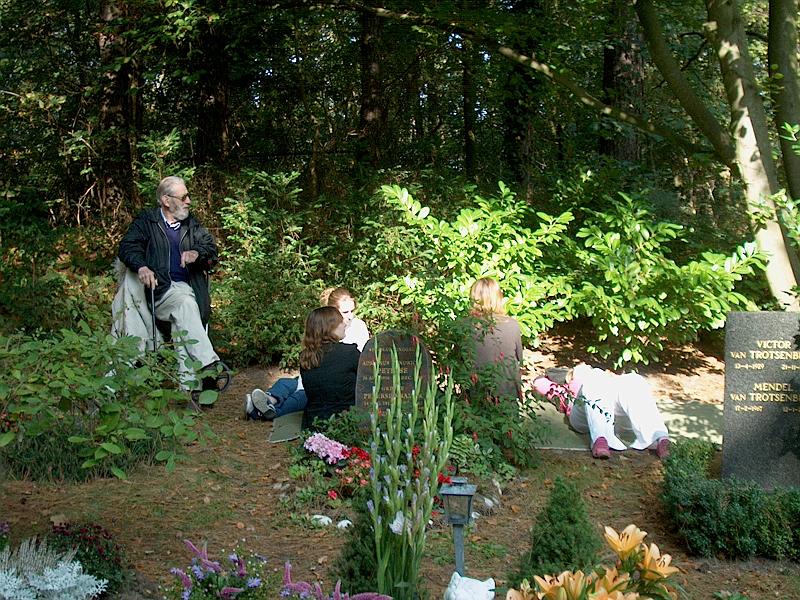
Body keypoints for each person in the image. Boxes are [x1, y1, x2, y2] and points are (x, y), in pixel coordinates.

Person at [118, 175, 229, 399]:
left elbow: (210, 249)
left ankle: (190, 390)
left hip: (189, 290)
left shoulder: (191, 224)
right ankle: (209, 364)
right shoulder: (147, 221)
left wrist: (197, 253)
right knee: (185, 303)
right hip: (158, 291)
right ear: (166, 200)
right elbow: (128, 247)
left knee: (185, 312)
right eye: (184, 197)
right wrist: (141, 266)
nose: (189, 201)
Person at [245, 287, 369, 420]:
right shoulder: (343, 347)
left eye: (352, 311)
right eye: (345, 312)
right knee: (286, 383)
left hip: (333, 385)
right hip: (331, 390)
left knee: (302, 394)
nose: (350, 316)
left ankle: (265, 408)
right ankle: (269, 401)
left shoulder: (356, 328)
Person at [534, 363, 671, 460]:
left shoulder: (604, 381)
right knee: (594, 379)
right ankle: (600, 440)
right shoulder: (565, 389)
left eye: (587, 367)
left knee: (634, 380)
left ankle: (659, 438)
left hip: (611, 412)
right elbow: (538, 382)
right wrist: (565, 379)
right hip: (581, 415)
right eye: (580, 369)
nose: (586, 367)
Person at [468, 277, 523, 400]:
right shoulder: (512, 325)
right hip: (507, 394)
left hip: (476, 395)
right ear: (498, 297)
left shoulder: (465, 326)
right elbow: (519, 359)